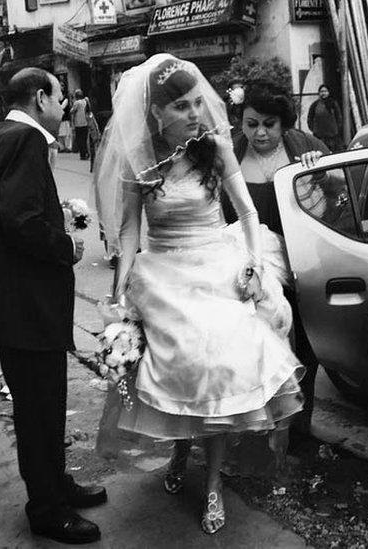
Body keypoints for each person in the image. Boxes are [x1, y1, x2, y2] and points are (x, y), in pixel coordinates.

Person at [93, 54, 304, 535]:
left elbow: (248, 214)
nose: (194, 113)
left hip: (218, 266)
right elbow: (128, 234)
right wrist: (120, 291)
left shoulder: (216, 148)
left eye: (196, 103)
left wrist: (252, 264)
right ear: (157, 115)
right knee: (177, 374)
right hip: (163, 275)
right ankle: (179, 452)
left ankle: (211, 482)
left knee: (217, 372)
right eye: (181, 107)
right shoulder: (140, 161)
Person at [0, 68, 105, 545]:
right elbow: (21, 219)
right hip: (31, 308)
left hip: (14, 304)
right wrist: (65, 246)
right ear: (41, 96)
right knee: (39, 410)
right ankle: (46, 509)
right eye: (60, 97)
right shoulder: (24, 140)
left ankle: (56, 485)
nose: (63, 107)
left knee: (43, 405)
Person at [222, 79, 328, 442]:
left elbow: (335, 203)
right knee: (254, 352)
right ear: (241, 122)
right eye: (252, 124)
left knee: (304, 351)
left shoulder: (307, 148)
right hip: (248, 271)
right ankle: (256, 434)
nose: (260, 132)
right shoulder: (230, 155)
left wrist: (317, 172)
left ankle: (299, 429)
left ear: (284, 124)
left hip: (300, 267)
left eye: (269, 124)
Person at [307, 84, 344, 152]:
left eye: (325, 91)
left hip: (332, 136)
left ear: (328, 92)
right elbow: (310, 118)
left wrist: (336, 129)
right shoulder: (315, 105)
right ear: (319, 93)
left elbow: (339, 118)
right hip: (319, 136)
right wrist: (313, 129)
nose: (323, 93)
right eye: (321, 91)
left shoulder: (333, 104)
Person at [70, 90, 90, 160]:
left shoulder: (77, 103)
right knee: (84, 139)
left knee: (79, 139)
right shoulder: (85, 101)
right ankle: (86, 152)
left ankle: (83, 154)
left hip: (78, 124)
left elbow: (72, 111)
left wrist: (72, 103)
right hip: (85, 123)